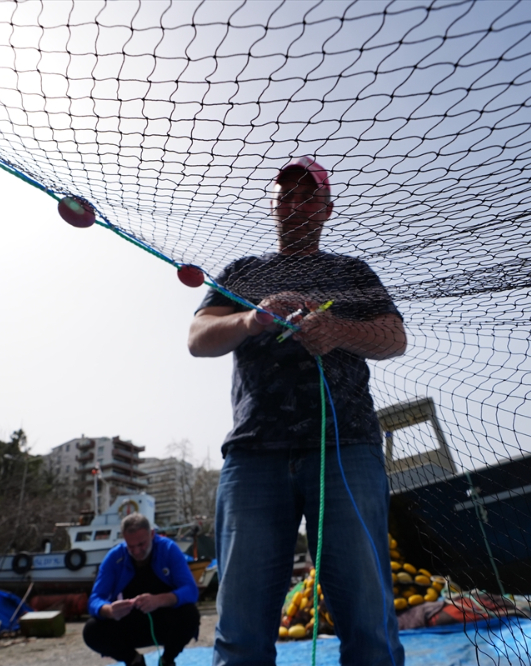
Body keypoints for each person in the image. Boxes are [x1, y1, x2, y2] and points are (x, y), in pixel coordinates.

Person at [188, 157, 407, 665]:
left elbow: (394, 337)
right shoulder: (243, 272)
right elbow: (198, 338)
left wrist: (337, 331)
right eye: (285, 195)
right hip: (253, 457)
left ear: (328, 209)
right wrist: (252, 318)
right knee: (240, 634)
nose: (295, 204)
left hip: (346, 449)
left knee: (369, 628)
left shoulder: (351, 272)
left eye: (308, 196)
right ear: (273, 206)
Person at [84, 513, 200, 666]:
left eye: (141, 544)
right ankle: (133, 660)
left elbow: (191, 590)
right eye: (130, 546)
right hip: (130, 624)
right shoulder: (114, 557)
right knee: (92, 630)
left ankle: (167, 659)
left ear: (152, 534)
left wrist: (159, 600)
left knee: (190, 614)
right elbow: (94, 600)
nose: (137, 551)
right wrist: (109, 610)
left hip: (165, 621)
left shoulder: (168, 549)